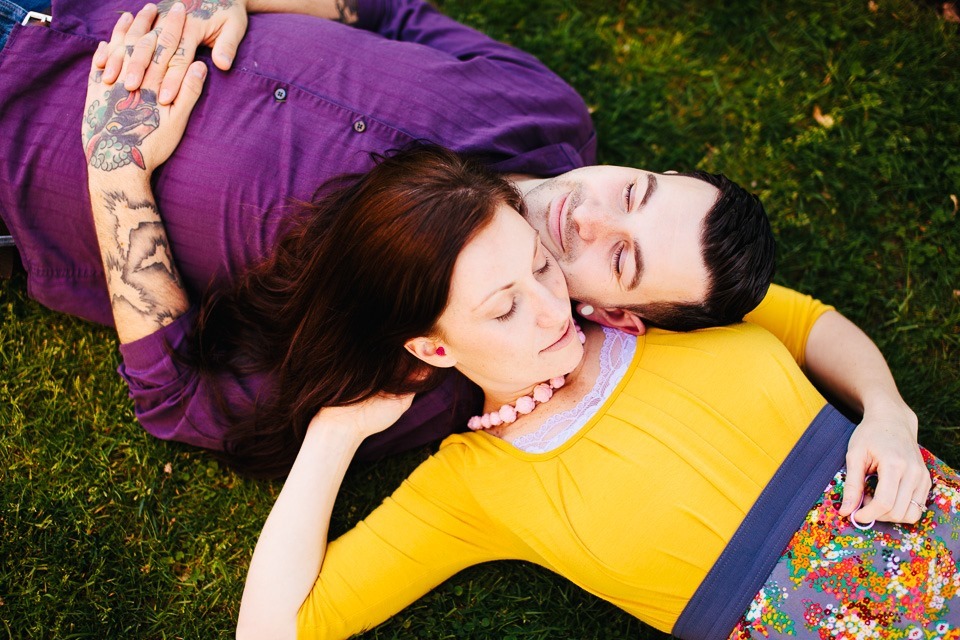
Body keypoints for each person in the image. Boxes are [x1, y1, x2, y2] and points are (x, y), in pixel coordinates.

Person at [77, 25, 946, 638]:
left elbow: (808, 321)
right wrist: (333, 438)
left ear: (614, 308)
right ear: (433, 347)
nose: (546, 296)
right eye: (505, 297)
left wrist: (888, 413)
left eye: (544, 274)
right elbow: (280, 630)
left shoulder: (685, 325)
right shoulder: (476, 483)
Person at [6, 0, 918, 495]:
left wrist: (116, 169)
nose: (592, 216)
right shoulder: (551, 111)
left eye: (622, 258)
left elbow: (183, 404)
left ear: (610, 316)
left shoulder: (421, 369)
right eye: (634, 191)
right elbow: (387, 13)